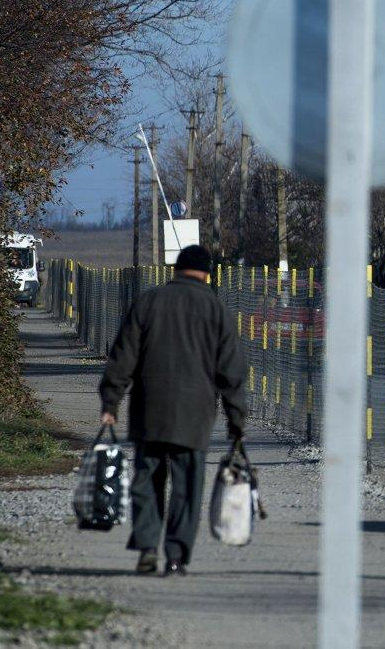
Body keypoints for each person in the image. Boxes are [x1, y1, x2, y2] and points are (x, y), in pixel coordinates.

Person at [99, 244, 246, 577]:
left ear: (176, 270)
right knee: (187, 487)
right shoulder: (216, 309)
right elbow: (231, 373)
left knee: (147, 480)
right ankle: (177, 555)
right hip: (194, 417)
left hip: (150, 410)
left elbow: (123, 356)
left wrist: (111, 402)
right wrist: (237, 421)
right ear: (207, 274)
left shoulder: (148, 302)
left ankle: (148, 548)